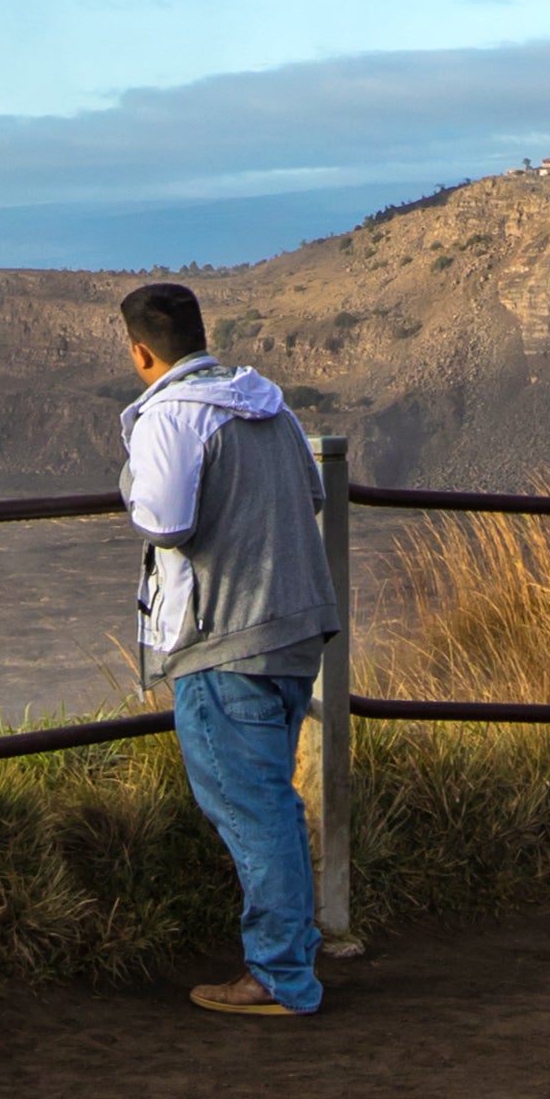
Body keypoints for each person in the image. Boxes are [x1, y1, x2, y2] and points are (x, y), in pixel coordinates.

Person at [115, 280, 340, 1019]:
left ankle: (279, 975)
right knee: (271, 796)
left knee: (253, 806)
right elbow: (310, 493)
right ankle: (291, 957)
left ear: (141, 351)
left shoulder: (170, 417)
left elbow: (165, 520)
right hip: (294, 624)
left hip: (226, 639)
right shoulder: (268, 404)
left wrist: (128, 476)